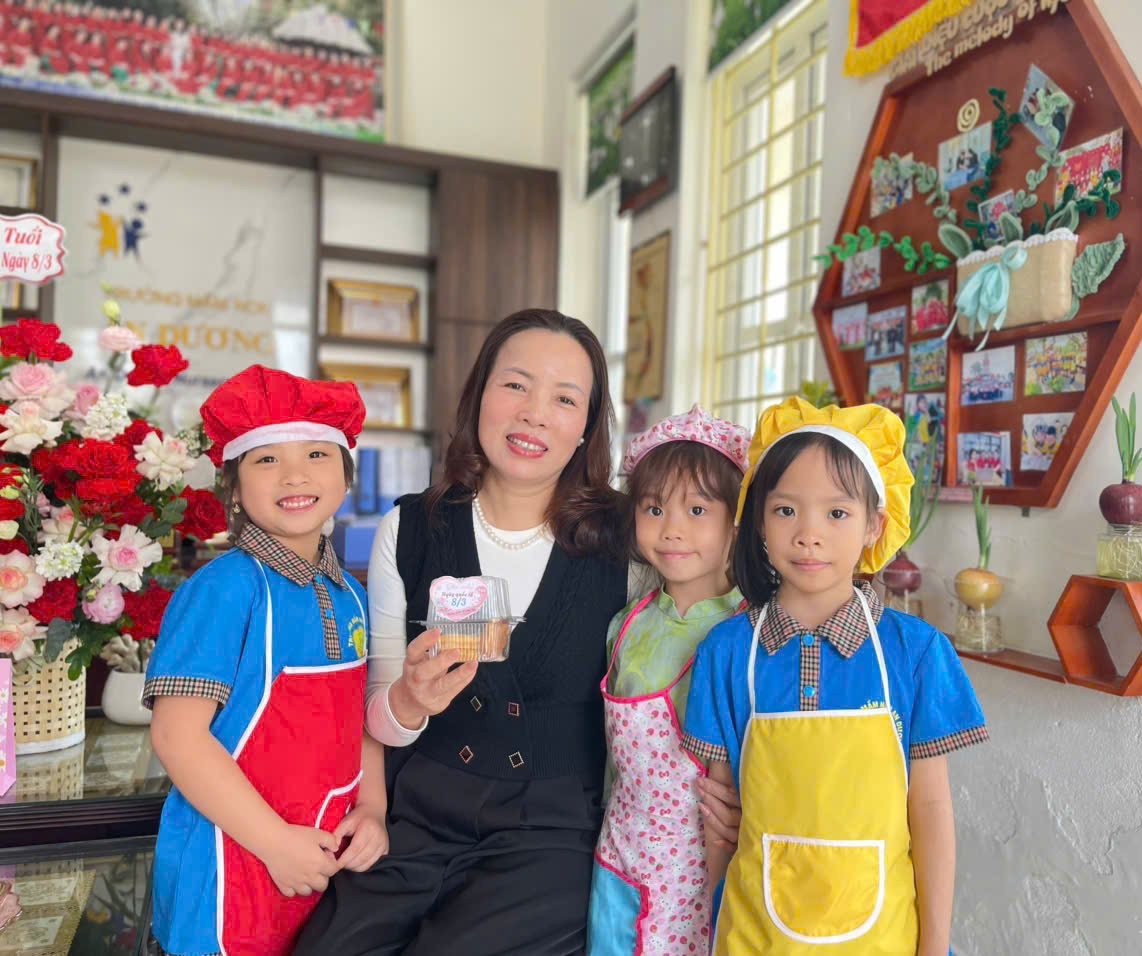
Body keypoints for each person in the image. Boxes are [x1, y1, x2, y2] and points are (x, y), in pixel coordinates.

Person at [294, 309, 630, 955]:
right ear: (479, 395)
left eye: (564, 399)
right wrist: (408, 701)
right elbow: (377, 712)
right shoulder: (410, 529)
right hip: (418, 815)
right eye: (516, 385)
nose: (534, 414)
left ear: (586, 427)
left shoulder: (628, 539)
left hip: (553, 833)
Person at [681, 396, 988, 955]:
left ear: (876, 525)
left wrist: (936, 945)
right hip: (754, 937)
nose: (809, 534)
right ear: (758, 521)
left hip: (884, 939)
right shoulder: (726, 652)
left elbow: (930, 810)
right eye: (785, 510)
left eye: (837, 513)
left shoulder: (917, 652)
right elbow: (719, 820)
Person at [144, 365, 388, 956]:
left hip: (317, 864)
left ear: (346, 476)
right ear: (233, 488)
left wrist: (374, 809)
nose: (295, 474)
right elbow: (177, 737)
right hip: (230, 866)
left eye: (316, 454)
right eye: (267, 459)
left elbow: (358, 719)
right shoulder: (224, 588)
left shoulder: (350, 594)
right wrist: (275, 842)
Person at [587, 405, 751, 955]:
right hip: (619, 854)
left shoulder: (746, 633)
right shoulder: (626, 624)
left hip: (701, 863)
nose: (672, 529)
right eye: (654, 508)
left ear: (736, 522)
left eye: (697, 509)